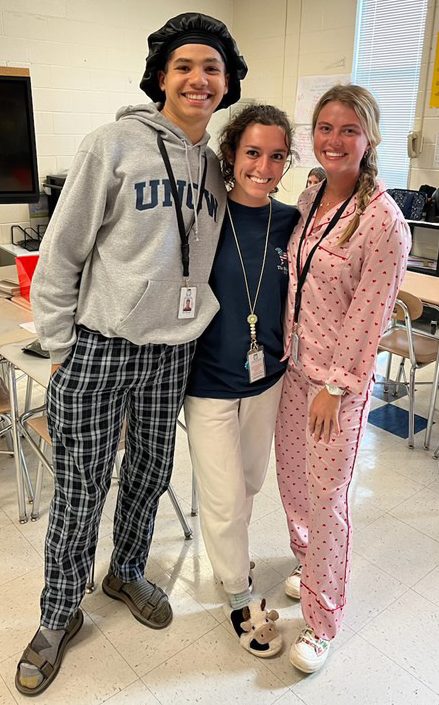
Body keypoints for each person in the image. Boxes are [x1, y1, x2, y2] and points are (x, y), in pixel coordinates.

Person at [16, 12, 247, 696]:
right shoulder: (111, 145)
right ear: (160, 77)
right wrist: (61, 345)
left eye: (210, 67)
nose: (197, 78)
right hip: (99, 347)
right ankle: (59, 613)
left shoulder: (213, 168)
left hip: (172, 354)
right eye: (183, 66)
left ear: (226, 81)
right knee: (81, 488)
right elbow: (60, 255)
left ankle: (126, 571)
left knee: (147, 476)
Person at [275, 84, 411, 673]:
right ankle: (305, 563)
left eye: (348, 129)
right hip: (293, 367)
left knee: (329, 499)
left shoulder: (383, 221)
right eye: (325, 128)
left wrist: (335, 386)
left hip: (337, 384)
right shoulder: (310, 194)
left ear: (370, 138)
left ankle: (322, 619)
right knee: (294, 479)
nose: (334, 140)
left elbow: (369, 314)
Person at [184, 104, 299, 658]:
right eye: (253, 152)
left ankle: (235, 557)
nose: (264, 166)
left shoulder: (290, 224)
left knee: (249, 483)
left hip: (268, 378)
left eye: (277, 155)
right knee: (225, 495)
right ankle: (237, 592)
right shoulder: (205, 218)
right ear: (231, 155)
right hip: (208, 380)